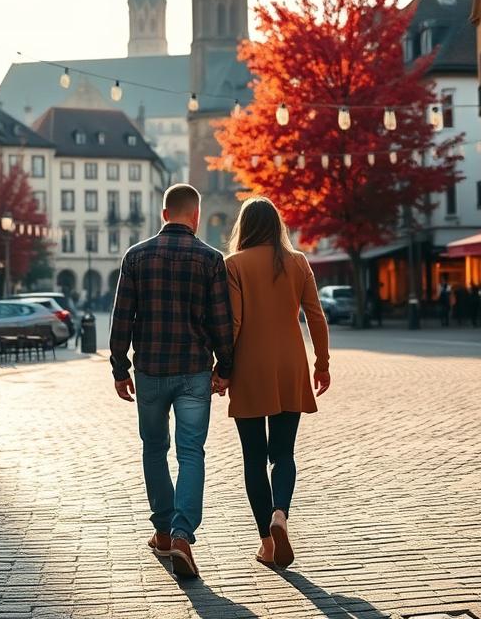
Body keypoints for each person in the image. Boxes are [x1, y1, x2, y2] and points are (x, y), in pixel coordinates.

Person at [109, 183, 234, 579]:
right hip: (194, 370)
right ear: (196, 216)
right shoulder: (211, 259)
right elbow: (221, 321)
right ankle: (182, 535)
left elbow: (121, 318)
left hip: (149, 370)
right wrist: (225, 368)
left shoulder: (136, 256)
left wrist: (119, 368)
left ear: (164, 214)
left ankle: (162, 531)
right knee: (191, 452)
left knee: (154, 449)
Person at [222, 197, 330, 568]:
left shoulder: (234, 264)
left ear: (244, 226)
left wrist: (222, 368)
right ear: (277, 225)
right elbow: (315, 316)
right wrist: (322, 364)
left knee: (253, 458)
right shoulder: (298, 262)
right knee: (283, 453)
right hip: (290, 365)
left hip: (250, 367)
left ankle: (267, 543)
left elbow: (234, 322)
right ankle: (280, 513)